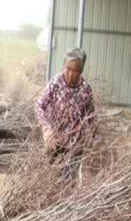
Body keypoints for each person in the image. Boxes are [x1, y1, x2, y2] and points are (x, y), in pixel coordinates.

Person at [35, 47, 95, 181]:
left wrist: (90, 143)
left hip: (74, 148)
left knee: (67, 184)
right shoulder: (56, 82)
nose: (70, 73)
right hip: (54, 143)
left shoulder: (86, 90)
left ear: (81, 70)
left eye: (75, 70)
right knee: (50, 181)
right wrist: (46, 129)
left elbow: (91, 119)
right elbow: (39, 105)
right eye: (68, 68)